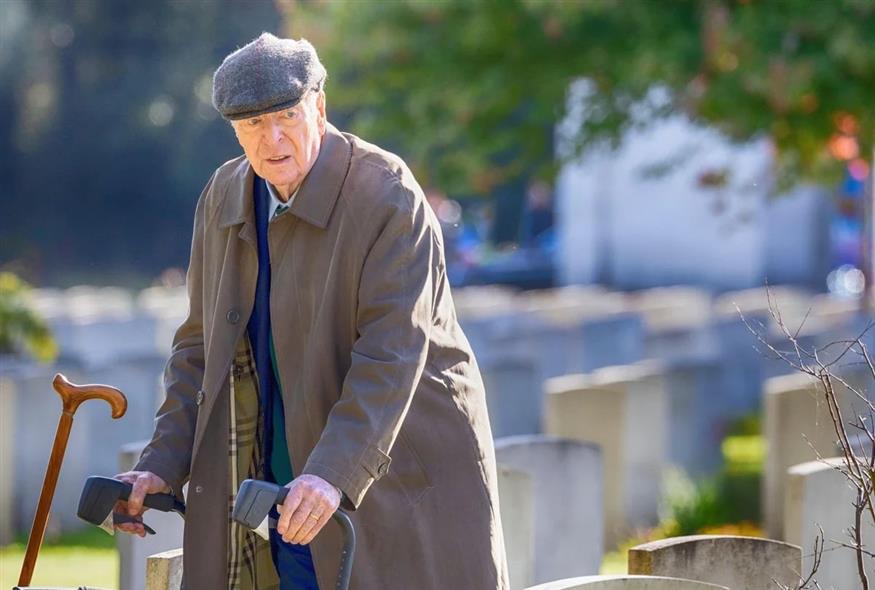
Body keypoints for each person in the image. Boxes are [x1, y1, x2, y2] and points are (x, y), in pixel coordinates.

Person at [113, 33, 509, 590]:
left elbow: (391, 353)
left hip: (394, 476)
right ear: (233, 130)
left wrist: (331, 474)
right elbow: (199, 347)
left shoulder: (387, 195)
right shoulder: (223, 195)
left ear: (319, 108)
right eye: (253, 124)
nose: (272, 139)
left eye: (287, 116)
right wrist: (161, 463)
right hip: (272, 484)